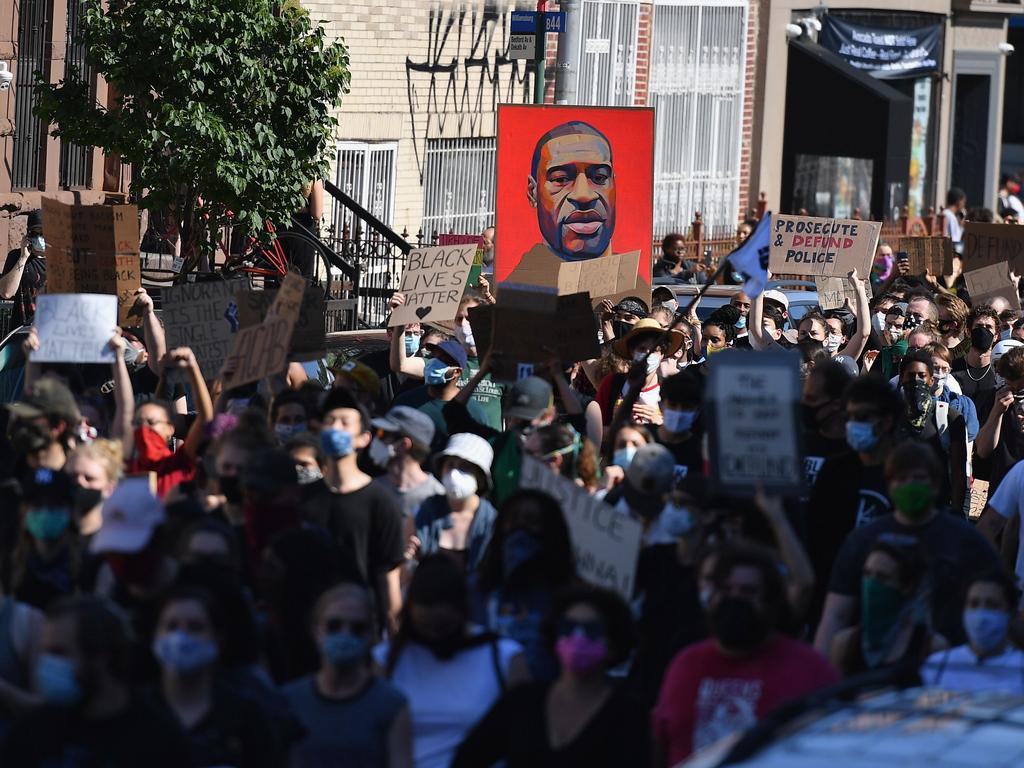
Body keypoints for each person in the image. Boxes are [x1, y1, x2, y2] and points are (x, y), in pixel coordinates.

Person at [653, 543, 838, 765]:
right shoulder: (685, 664)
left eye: (747, 592)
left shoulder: (810, 670)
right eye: (726, 590)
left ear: (770, 602)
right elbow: (658, 745)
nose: (735, 599)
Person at [815, 442, 999, 655]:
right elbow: (836, 614)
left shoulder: (966, 540)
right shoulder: (863, 540)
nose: (910, 486)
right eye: (901, 479)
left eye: (919, 479)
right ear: (889, 485)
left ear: (935, 484)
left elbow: (997, 601)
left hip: (948, 667)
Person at [452, 585, 649, 767]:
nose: (577, 638)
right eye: (568, 628)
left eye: (591, 630)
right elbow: (467, 759)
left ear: (613, 644)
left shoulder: (629, 719)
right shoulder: (523, 702)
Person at [375, 555, 529, 768]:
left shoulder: (503, 657)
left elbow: (526, 739)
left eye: (443, 627)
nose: (434, 636)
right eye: (425, 626)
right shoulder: (385, 660)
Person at [2, 596, 192, 767]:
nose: (47, 664)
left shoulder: (158, 738)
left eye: (59, 653)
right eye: (45, 652)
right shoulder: (33, 733)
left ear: (100, 656)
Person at [282, 582, 413, 768]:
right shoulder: (289, 702)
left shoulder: (391, 705)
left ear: (371, 635)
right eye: (334, 626)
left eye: (357, 628)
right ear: (316, 630)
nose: (345, 634)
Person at [149, 586, 280, 767]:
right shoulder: (139, 713)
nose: (180, 637)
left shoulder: (245, 715)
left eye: (195, 627)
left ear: (218, 639)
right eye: (171, 626)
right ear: (156, 635)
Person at [317, 388, 405, 632]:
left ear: (364, 438)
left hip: (362, 628)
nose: (335, 428)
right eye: (329, 421)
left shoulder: (381, 502)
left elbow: (389, 582)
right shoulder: (303, 498)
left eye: (345, 422)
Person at [829, 535, 940, 678]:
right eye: (867, 574)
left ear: (907, 586)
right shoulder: (845, 644)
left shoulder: (930, 647)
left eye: (882, 577)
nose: (871, 585)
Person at [129, 347, 213, 499]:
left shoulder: (178, 463)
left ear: (170, 428)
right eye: (137, 422)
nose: (144, 428)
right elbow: (158, 407)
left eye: (151, 422)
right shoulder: (128, 470)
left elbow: (205, 420)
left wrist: (192, 368)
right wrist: (165, 376)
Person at [921, 571, 1024, 691]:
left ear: (1010, 613)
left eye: (992, 605)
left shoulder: (1019, 666)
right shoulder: (938, 666)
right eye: (974, 604)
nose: (981, 614)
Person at [414, 433, 497, 576]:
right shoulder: (425, 511)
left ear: (480, 478)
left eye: (465, 468)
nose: (454, 473)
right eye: (450, 465)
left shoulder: (492, 522)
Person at [392, 339, 487, 452]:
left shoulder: (473, 412)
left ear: (457, 372)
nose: (433, 363)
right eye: (432, 358)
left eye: (442, 360)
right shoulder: (405, 401)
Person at [369, 405, 444, 519]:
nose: (375, 439)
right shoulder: (370, 491)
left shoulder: (437, 497)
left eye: (382, 434)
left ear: (404, 445)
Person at [0, 209, 46, 327]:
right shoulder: (16, 256)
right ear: (28, 235)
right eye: (35, 233)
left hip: (50, 333)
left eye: (44, 233)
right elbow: (6, 293)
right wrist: (23, 257)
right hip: (22, 332)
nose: (40, 237)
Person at [943, 187, 967, 254]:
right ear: (958, 201)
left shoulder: (945, 213)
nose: (964, 205)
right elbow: (956, 243)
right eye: (963, 202)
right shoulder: (951, 217)